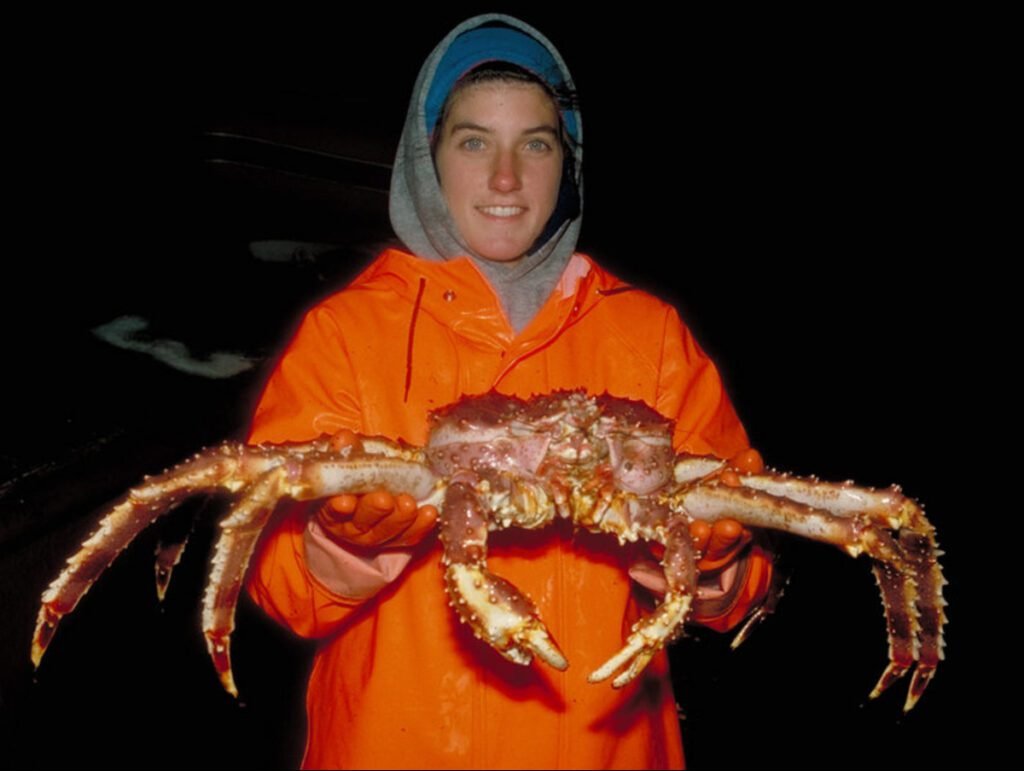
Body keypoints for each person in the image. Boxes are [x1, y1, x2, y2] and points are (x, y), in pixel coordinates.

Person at [245, 13, 773, 770]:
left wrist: (722, 573)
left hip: (610, 748)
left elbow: (744, 578)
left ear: (569, 161)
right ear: (427, 159)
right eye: (473, 142)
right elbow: (271, 572)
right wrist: (332, 557)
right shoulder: (347, 332)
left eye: (536, 143)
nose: (505, 178)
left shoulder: (650, 336)